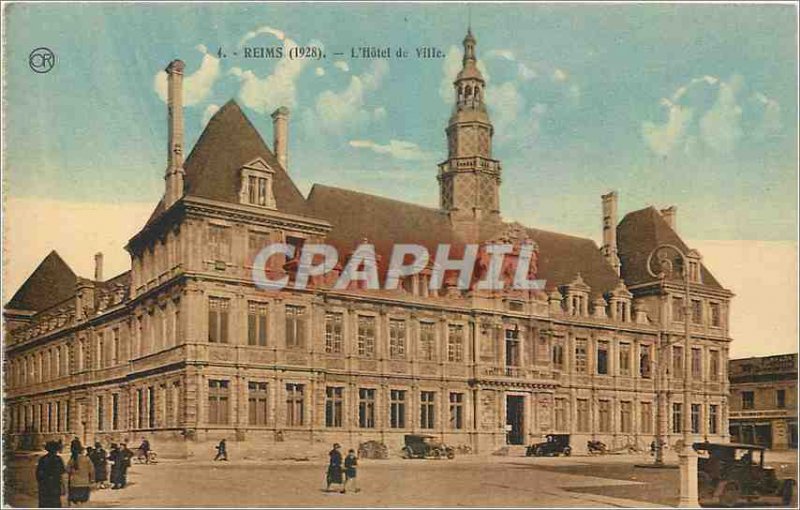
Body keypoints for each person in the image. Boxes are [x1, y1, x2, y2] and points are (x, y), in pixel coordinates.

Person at [37, 440, 66, 508]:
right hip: (55, 485)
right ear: (56, 450)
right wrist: (63, 486)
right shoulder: (58, 459)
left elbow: (38, 474)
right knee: (55, 503)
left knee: (45, 503)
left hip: (45, 486)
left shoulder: (42, 459)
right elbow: (61, 473)